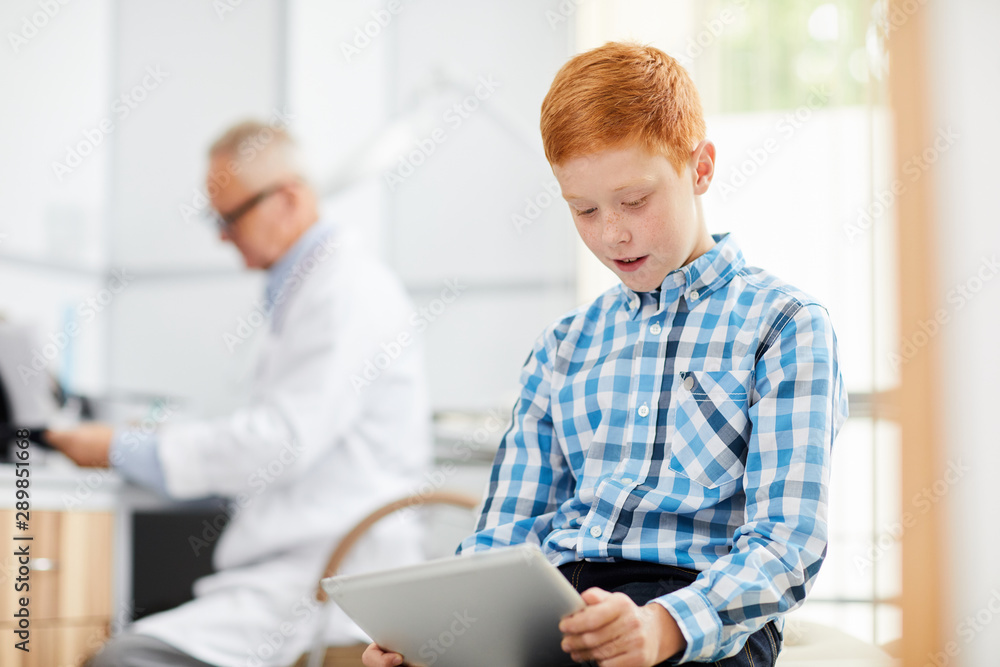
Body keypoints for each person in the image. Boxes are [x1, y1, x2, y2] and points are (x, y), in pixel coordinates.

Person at [363, 42, 848, 667]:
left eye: (635, 201)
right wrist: (436, 637)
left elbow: (787, 544)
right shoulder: (562, 348)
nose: (613, 233)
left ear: (700, 169)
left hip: (693, 612)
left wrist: (661, 627)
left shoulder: (783, 325)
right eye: (584, 210)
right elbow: (506, 534)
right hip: (556, 608)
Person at [46, 121, 432, 667]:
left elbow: (279, 440)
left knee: (121, 660)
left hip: (327, 581)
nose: (221, 236)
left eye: (230, 217)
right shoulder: (306, 291)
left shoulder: (345, 290)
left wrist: (121, 447)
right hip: (292, 574)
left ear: (289, 199)